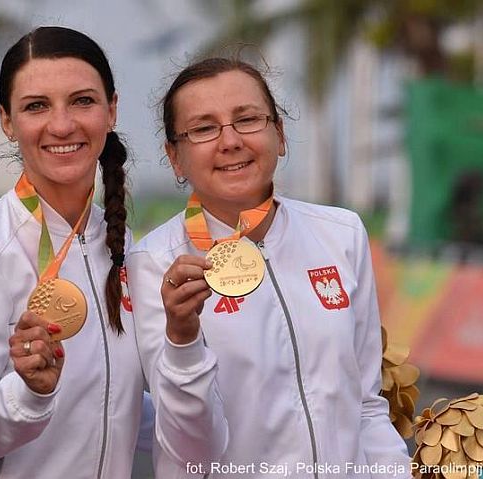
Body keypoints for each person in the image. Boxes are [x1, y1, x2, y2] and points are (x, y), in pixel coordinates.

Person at [127, 57, 412, 478]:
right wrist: (183, 342)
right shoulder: (154, 264)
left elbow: (366, 404)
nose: (230, 141)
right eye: (204, 128)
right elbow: (189, 451)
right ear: (175, 157)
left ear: (278, 133)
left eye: (246, 119)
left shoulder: (342, 234)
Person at [0, 26, 151, 479]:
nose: (63, 124)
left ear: (112, 110)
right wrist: (28, 394)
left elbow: (113, 403)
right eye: (36, 106)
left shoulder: (119, 243)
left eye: (83, 101)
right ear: (7, 122)